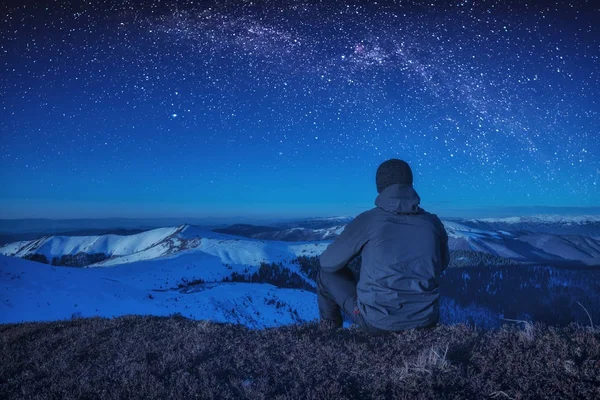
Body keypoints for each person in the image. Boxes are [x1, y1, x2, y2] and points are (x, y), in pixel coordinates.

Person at [317, 158, 450, 333]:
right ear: (410, 183)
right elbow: (442, 264)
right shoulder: (433, 223)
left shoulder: (368, 220)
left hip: (378, 322)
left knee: (325, 275)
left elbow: (328, 263)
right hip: (426, 320)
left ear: (380, 187)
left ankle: (330, 333)